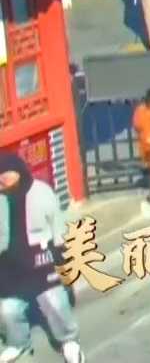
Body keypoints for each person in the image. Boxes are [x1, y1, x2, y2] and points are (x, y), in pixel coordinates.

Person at [0, 153, 81, 363]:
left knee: (54, 302)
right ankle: (18, 344)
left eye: (5, 174)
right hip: (10, 269)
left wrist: (65, 273)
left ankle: (69, 341)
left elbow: (58, 232)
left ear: (18, 172)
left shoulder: (42, 192)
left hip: (42, 264)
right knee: (8, 310)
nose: (1, 179)